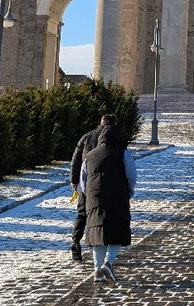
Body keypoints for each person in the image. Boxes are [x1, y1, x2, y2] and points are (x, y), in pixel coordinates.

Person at [81, 116, 136, 283]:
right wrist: (129, 191)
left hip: (94, 197)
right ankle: (108, 263)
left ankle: (97, 271)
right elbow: (131, 175)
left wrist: (89, 194)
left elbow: (83, 180)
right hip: (117, 195)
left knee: (98, 232)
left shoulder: (90, 155)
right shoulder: (123, 152)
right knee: (116, 230)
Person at [70, 114, 112, 262]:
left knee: (82, 214)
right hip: (104, 182)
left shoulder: (87, 136)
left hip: (85, 181)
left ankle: (76, 241)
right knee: (103, 213)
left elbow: (76, 159)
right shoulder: (113, 139)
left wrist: (74, 180)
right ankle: (102, 246)